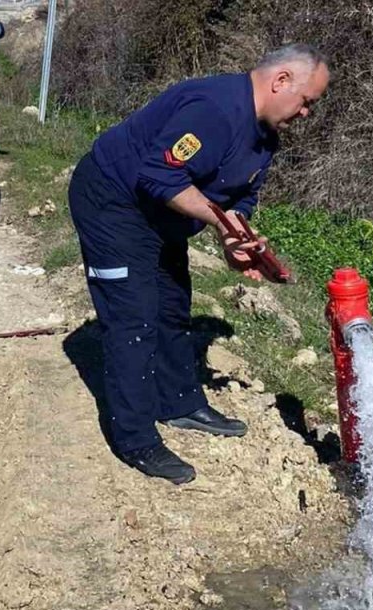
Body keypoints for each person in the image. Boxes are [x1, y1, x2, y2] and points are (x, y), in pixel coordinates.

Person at [67, 44, 330, 484]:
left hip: (162, 214)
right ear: (281, 81)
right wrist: (221, 223)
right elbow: (160, 174)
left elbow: (239, 198)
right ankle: (134, 438)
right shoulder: (214, 110)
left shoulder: (265, 137)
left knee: (172, 306)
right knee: (133, 319)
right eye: (307, 101)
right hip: (113, 203)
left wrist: (235, 239)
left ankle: (179, 404)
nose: (306, 113)